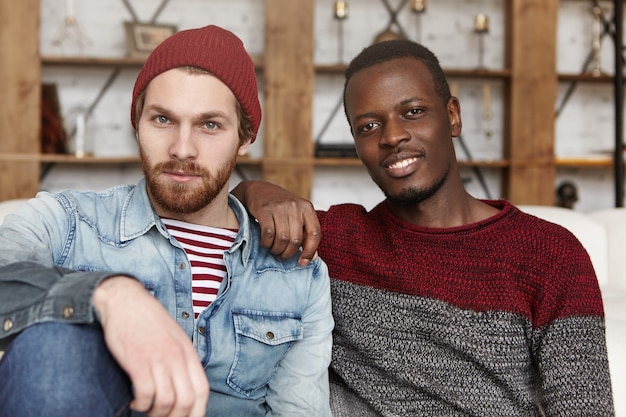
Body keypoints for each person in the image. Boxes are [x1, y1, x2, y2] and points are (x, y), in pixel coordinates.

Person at [232, 39, 615, 416]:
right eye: (368, 125)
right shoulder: (335, 239)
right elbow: (226, 220)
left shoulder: (550, 253)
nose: (392, 136)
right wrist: (254, 190)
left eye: (412, 112)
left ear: (452, 116)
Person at [0, 25, 333, 417]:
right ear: (137, 122)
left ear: (244, 138)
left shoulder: (298, 275)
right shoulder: (68, 222)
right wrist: (107, 295)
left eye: (210, 125)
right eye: (162, 120)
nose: (182, 148)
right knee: (55, 344)